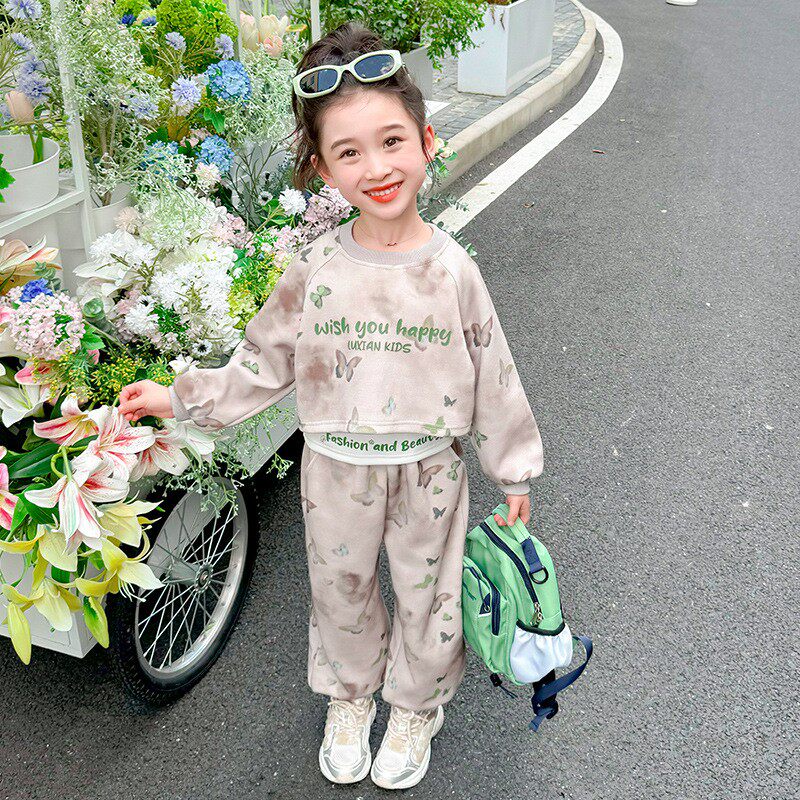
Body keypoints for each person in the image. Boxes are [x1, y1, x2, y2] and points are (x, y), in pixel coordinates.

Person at [118, 22, 544, 791]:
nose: (376, 168)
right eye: (349, 152)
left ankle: (415, 707)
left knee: (429, 599)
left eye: (392, 142)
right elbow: (261, 361)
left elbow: (494, 373)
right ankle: (350, 699)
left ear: (426, 141)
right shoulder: (314, 268)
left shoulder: (453, 271)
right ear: (321, 168)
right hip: (336, 471)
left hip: (429, 471)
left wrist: (513, 470)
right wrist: (180, 397)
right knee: (341, 597)